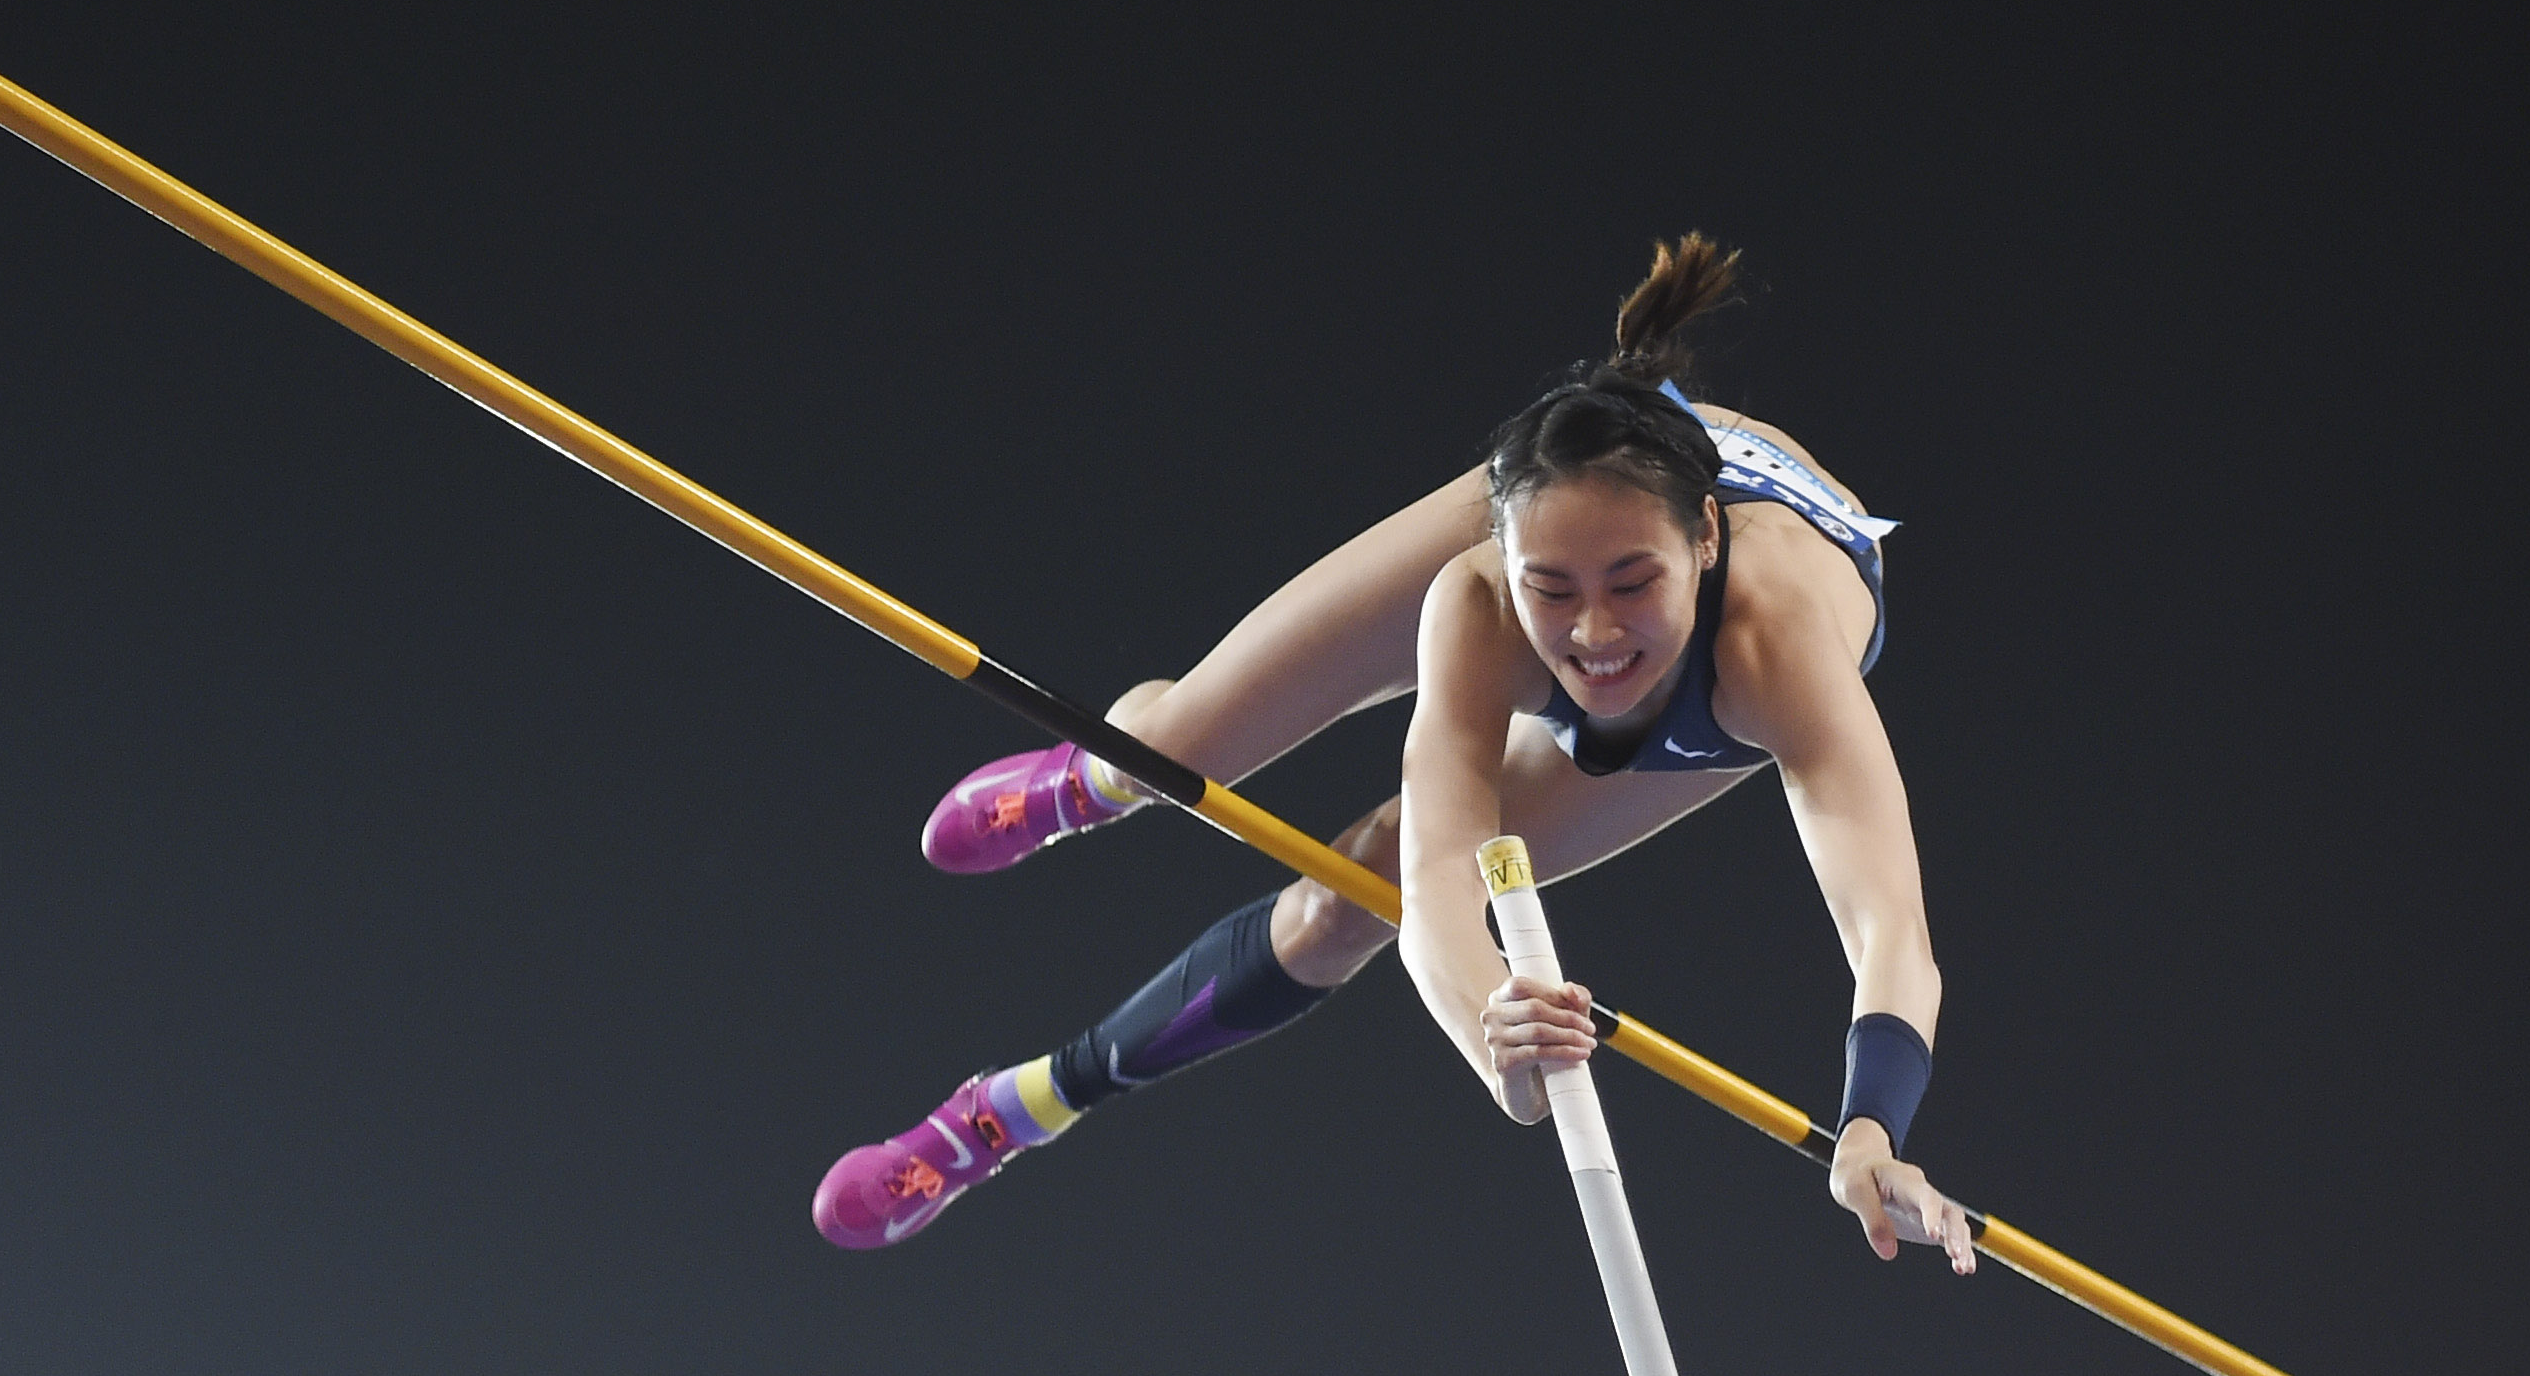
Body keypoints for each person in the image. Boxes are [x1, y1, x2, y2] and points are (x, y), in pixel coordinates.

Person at [813, 235, 1975, 1275]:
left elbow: (1889, 930)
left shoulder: (1775, 648)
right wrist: (1487, 1031)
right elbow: (1447, 889)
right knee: (1176, 743)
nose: (1592, 635)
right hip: (1583, 490)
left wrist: (1868, 1131)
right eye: (1549, 591)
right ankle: (1096, 777)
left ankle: (1002, 1115)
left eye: (1633, 588)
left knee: (1343, 898)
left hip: (1708, 621)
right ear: (1504, 555)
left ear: (1703, 540)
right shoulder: (1475, 600)